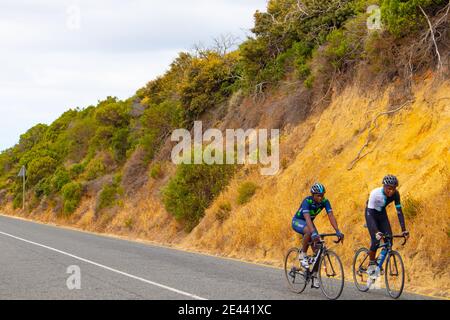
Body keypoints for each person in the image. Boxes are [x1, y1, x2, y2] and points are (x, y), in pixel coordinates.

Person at [292, 183, 344, 288]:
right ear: (313, 195)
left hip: (309, 223)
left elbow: (331, 215)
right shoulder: (307, 201)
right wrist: (314, 233)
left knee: (318, 252)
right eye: (318, 195)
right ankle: (303, 254)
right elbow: (307, 218)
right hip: (298, 221)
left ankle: (314, 275)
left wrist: (337, 230)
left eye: (322, 195)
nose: (320, 198)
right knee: (310, 232)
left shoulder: (325, 202)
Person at [365, 175, 409, 278]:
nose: (391, 191)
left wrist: (404, 230)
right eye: (389, 188)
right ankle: (371, 263)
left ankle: (378, 263)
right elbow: (369, 213)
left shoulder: (396, 195)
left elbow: (399, 212)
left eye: (393, 189)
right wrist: (376, 231)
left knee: (389, 241)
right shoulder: (375, 193)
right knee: (376, 241)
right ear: (384, 186)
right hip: (370, 214)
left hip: (382, 214)